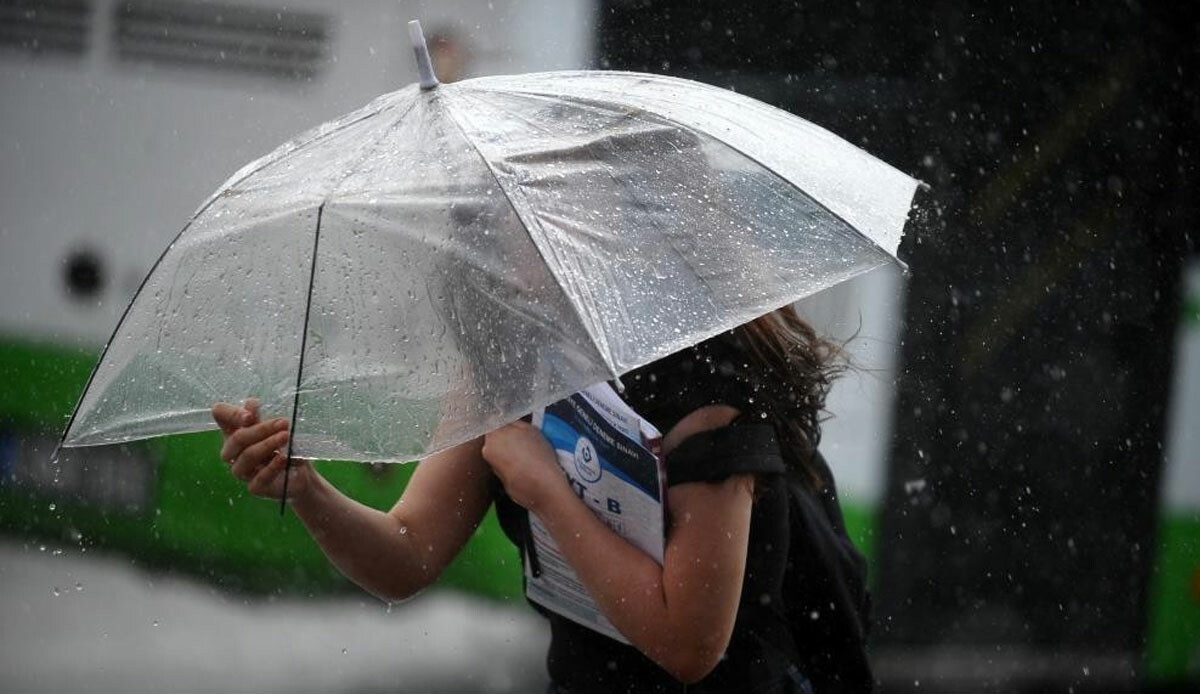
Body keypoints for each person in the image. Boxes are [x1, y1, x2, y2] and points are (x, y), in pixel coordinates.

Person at [212, 305, 871, 693]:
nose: (491, 249)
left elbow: (689, 644)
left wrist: (548, 494)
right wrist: (307, 490)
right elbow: (406, 555)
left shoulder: (703, 389)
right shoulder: (509, 358)